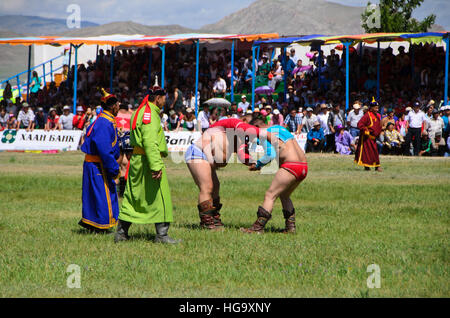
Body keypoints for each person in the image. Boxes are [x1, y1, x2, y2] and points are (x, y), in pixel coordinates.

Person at [116, 87, 180, 244]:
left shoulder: (140, 111)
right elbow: (150, 142)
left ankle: (121, 233)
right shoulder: (149, 114)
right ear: (157, 98)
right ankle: (162, 235)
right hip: (147, 160)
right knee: (161, 196)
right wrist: (156, 165)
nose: (166, 101)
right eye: (164, 98)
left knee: (133, 196)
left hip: (139, 159)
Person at [185, 117, 273, 231]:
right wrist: (271, 137)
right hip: (197, 152)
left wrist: (253, 163)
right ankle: (207, 222)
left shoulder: (240, 138)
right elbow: (256, 131)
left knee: (215, 187)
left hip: (205, 155)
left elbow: (242, 154)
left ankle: (214, 218)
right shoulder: (238, 126)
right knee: (207, 187)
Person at [240, 119, 308, 234]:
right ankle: (290, 228)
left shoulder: (264, 133)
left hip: (290, 166)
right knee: (284, 195)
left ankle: (257, 228)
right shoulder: (279, 128)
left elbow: (270, 154)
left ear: (257, 127)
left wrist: (257, 165)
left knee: (270, 195)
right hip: (303, 166)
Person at [79, 89, 121, 232]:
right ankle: (101, 225)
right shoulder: (103, 122)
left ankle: (93, 223)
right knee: (102, 195)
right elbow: (104, 149)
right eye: (117, 103)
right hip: (98, 164)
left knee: (96, 194)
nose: (119, 105)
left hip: (96, 164)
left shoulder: (105, 120)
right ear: (112, 106)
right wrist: (114, 168)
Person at [354, 99, 382, 171]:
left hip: (374, 138)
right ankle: (367, 167)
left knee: (375, 152)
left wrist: (379, 133)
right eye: (375, 108)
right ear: (371, 108)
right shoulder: (367, 115)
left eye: (377, 108)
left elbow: (378, 126)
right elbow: (360, 124)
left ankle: (377, 166)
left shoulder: (378, 116)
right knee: (366, 153)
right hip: (367, 138)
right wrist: (365, 130)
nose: (377, 109)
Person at [116, 101, 134, 197]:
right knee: (125, 166)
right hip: (127, 142)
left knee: (115, 166)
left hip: (116, 141)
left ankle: (114, 190)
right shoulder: (131, 115)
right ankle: (122, 192)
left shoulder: (115, 114)